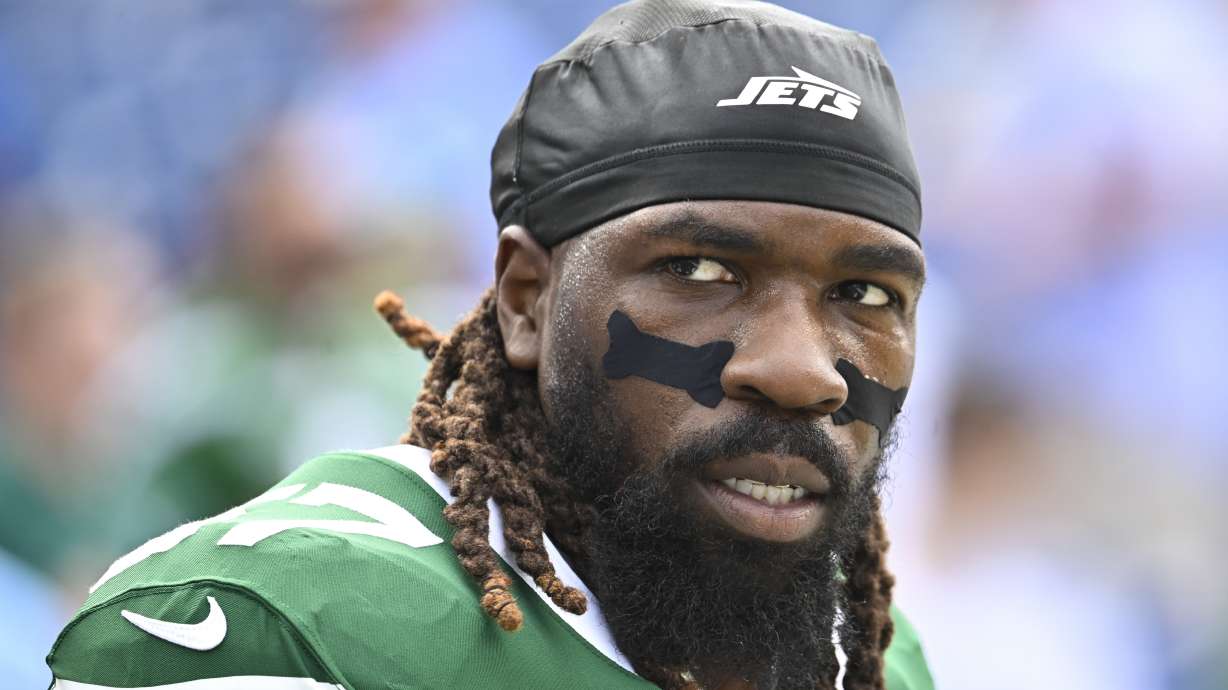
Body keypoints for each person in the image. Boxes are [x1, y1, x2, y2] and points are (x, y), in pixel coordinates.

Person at [46, 1, 934, 688]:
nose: (801, 372)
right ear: (525, 300)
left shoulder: (867, 653)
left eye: (864, 293)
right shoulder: (289, 627)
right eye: (700, 270)